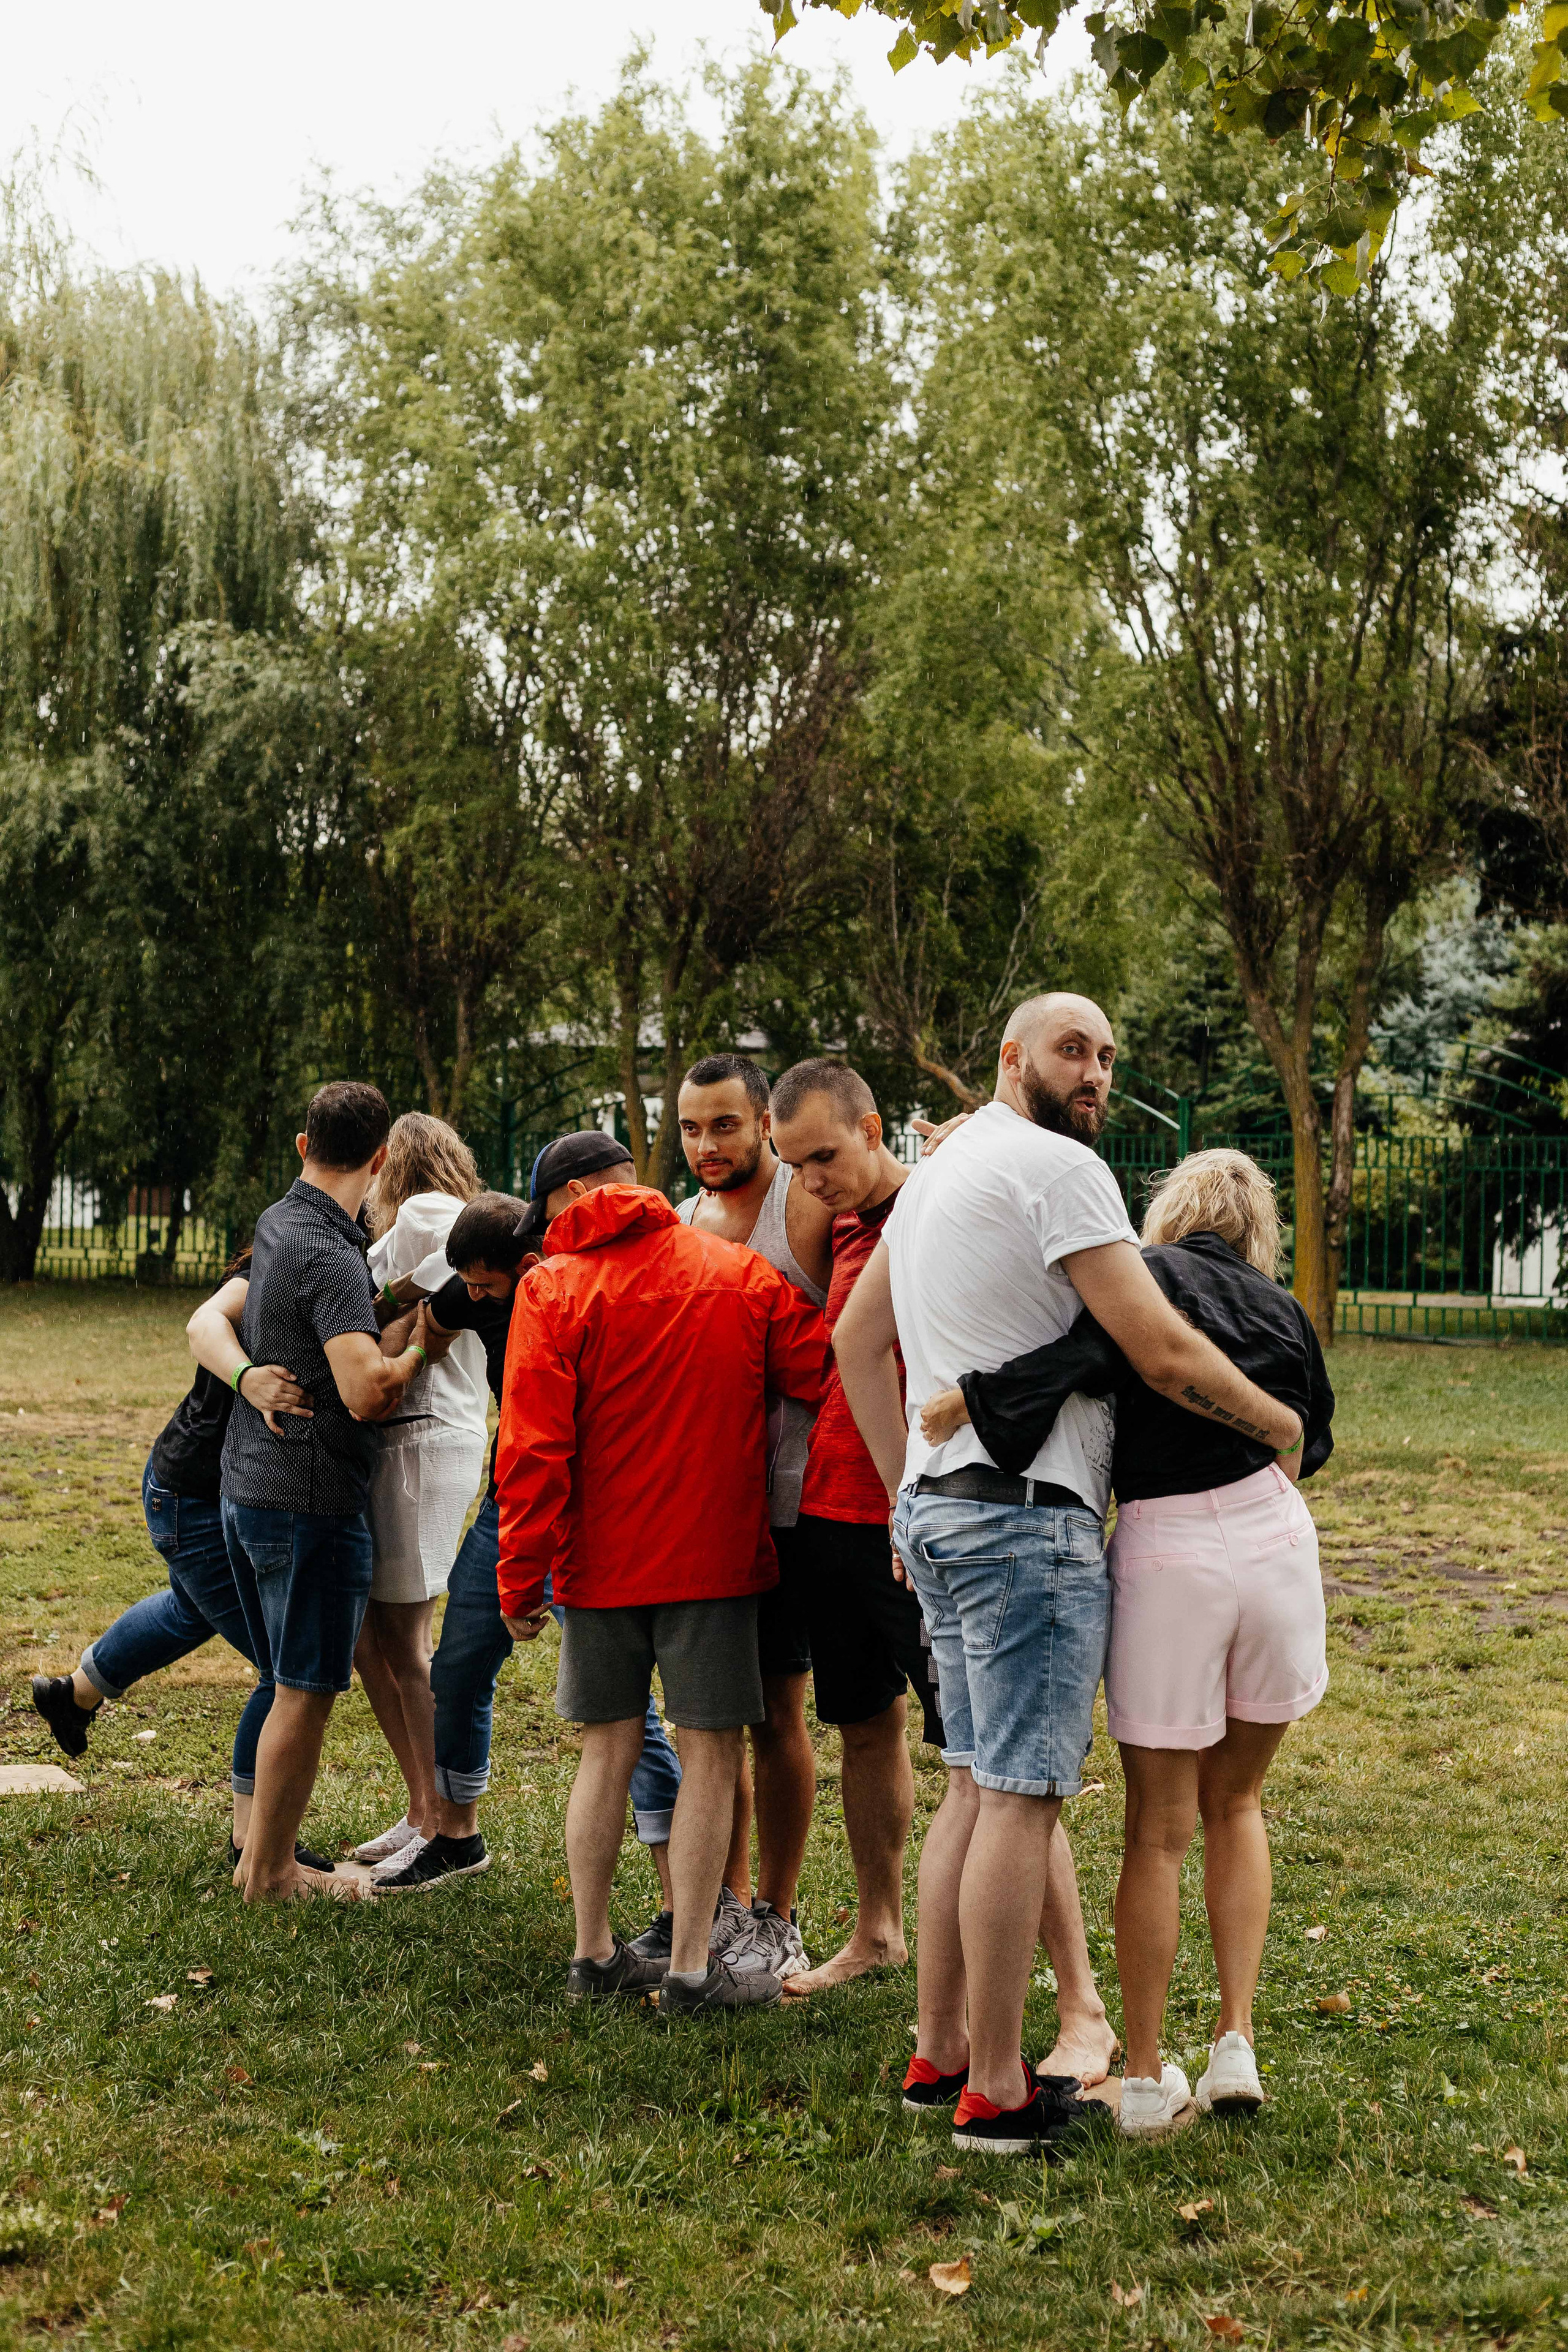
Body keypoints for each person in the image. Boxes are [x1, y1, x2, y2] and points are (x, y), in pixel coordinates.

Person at [832, 991, 1306, 2154]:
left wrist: (907, 1489)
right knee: (1022, 1798)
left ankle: (940, 2050)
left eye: (1105, 1057)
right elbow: (1156, 1345)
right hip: (1028, 1524)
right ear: (1011, 1056)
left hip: (944, 1516)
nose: (1093, 1072)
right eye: (1072, 1051)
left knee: (975, 1786)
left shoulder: (936, 1173)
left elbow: (855, 1340)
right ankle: (998, 2092)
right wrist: (1276, 1422)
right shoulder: (1057, 1169)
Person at [918, 1147, 1334, 2134]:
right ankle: (1235, 2039)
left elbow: (1088, 1359)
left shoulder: (1139, 1276)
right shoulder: (1283, 1311)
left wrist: (967, 1401)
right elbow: (1308, 1441)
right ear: (1255, 1231)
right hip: (1275, 1538)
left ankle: (1143, 2076)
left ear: (1169, 1213)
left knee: (1157, 1829)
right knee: (1239, 1803)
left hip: (1169, 1544)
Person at [494, 1146, 825, 2016]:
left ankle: (594, 1951)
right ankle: (688, 1966)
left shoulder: (552, 1287)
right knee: (709, 1752)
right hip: (713, 1560)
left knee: (606, 1751)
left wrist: (520, 1576)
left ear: (573, 1202)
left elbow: (531, 1449)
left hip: (597, 1564)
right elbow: (821, 1370)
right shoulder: (740, 1274)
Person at [372, 1169, 685, 1902]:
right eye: (469, 1287)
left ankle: (681, 1895)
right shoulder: (471, 1291)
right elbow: (432, 1310)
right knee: (456, 1665)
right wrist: (418, 1336)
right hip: (510, 1502)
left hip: (591, 1514)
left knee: (621, 1706)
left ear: (530, 1266)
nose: (476, 1298)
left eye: (487, 1287)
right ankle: (456, 1837)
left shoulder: (576, 1295)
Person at [29, 1250, 336, 1874]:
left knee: (190, 1609)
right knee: (280, 1673)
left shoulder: (313, 1264)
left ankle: (71, 1695)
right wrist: (249, 1376)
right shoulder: (279, 1264)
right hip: (192, 1501)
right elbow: (202, 1327)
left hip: (192, 1486)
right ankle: (251, 1841)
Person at [753, 1057, 944, 1994]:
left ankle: (1012, 1953)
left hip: (922, 1522)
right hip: (829, 1515)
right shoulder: (840, 1224)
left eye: (824, 1155)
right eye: (795, 1164)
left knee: (980, 1751)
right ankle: (879, 1930)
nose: (813, 1180)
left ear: (876, 1130)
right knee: (866, 1725)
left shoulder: (941, 1212)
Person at [219, 1079, 432, 1903]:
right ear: (381, 1160)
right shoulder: (332, 1253)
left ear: (305, 1146)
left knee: (285, 1685)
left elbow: (318, 1325)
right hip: (309, 1503)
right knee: (305, 1693)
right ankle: (271, 1875)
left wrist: (395, 1303)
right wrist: (425, 1348)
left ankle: (257, 1859)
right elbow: (363, 1391)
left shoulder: (280, 1223)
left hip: (252, 1490)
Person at [674, 1052, 833, 1980]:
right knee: (711, 1717)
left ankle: (777, 1909)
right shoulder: (685, 1218)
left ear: (764, 1120)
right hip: (711, 1510)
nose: (706, 1145)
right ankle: (726, 1903)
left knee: (779, 1714)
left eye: (725, 1125)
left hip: (798, 1505)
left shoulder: (801, 1208)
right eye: (692, 1129)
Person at [350, 1114, 489, 1882]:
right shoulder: (413, 1219)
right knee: (373, 1636)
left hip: (427, 1434)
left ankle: (445, 1824)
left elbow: (460, 1254)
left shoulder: (424, 1212)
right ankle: (418, 1807)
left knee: (404, 1639)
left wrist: (403, 1302)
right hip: (407, 1434)